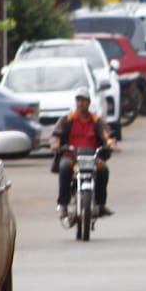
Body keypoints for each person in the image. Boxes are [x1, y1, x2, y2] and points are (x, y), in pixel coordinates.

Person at [49, 88, 117, 222]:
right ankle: (63, 204)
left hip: (92, 156)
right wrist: (55, 143)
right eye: (78, 100)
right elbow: (56, 135)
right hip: (72, 156)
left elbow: (107, 134)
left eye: (84, 101)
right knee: (64, 168)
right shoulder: (66, 119)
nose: (81, 104)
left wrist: (111, 143)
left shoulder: (96, 120)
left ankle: (100, 204)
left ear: (89, 102)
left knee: (103, 169)